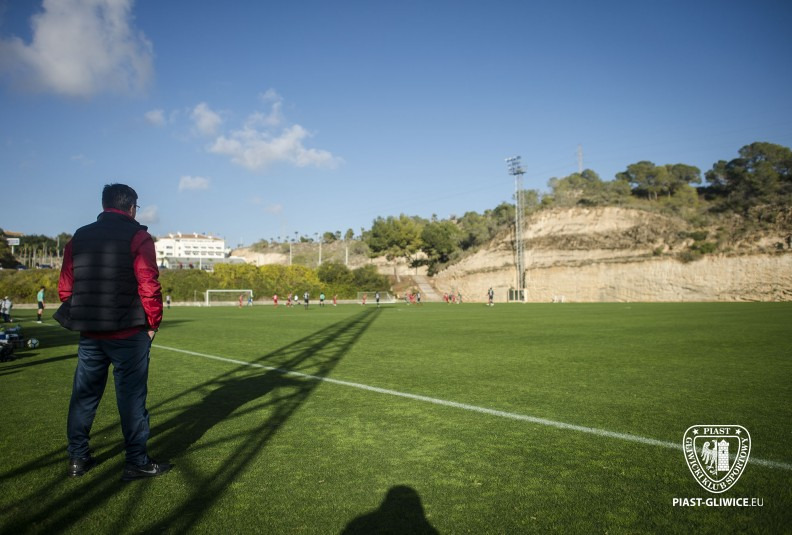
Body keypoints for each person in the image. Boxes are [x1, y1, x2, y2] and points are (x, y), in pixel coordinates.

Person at [53, 183, 170, 481]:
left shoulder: (79, 236)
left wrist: (86, 312)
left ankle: (78, 459)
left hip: (91, 333)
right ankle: (136, 462)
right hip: (128, 332)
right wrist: (153, 323)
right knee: (131, 399)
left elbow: (66, 286)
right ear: (131, 207)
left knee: (84, 397)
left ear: (104, 205)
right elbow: (149, 283)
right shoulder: (139, 236)